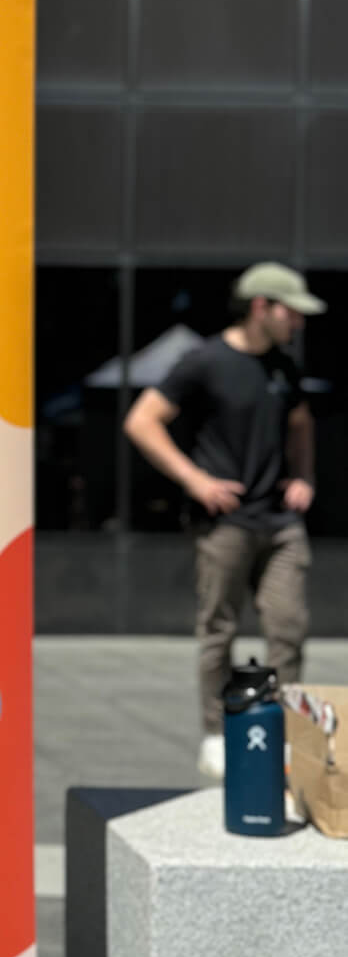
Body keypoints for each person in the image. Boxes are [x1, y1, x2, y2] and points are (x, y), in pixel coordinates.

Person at [124, 263, 324, 781]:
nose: (298, 323)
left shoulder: (284, 369)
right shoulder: (204, 362)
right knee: (219, 631)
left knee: (288, 630)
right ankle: (216, 732)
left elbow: (302, 425)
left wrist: (303, 475)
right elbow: (141, 421)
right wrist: (195, 481)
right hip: (227, 523)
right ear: (262, 307)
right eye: (292, 312)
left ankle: (278, 734)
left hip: (280, 523)